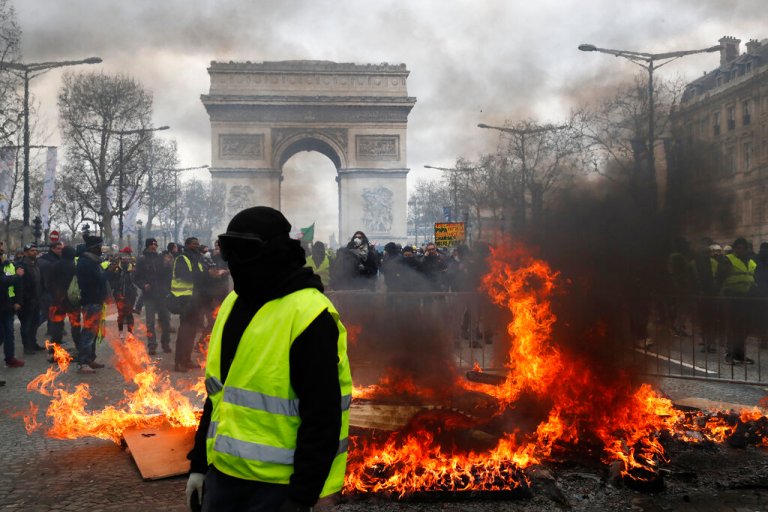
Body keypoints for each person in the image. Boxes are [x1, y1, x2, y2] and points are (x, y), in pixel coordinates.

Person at [185, 206, 351, 512]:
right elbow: (217, 395)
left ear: (273, 251)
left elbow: (323, 417)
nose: (233, 263)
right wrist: (198, 463)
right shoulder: (232, 303)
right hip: (222, 477)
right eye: (228, 252)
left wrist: (301, 496)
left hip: (279, 488)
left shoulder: (310, 314)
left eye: (242, 252)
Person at [716, 237, 756, 364]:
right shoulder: (728, 260)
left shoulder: (750, 262)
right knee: (733, 326)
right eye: (738, 247)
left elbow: (751, 278)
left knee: (745, 327)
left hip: (746, 298)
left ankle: (739, 353)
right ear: (734, 249)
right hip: (731, 297)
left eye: (743, 248)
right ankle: (729, 354)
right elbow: (719, 277)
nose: (741, 250)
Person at [171, 237, 205, 372]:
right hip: (184, 300)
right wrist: (204, 275)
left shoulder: (197, 258)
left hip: (195, 300)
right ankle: (179, 362)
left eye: (197, 244)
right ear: (187, 245)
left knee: (192, 332)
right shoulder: (181, 258)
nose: (196, 246)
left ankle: (187, 359)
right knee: (184, 331)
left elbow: (202, 275)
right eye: (193, 244)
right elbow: (185, 276)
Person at [76, 235, 108, 374]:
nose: (102, 249)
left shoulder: (93, 261)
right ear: (94, 248)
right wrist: (109, 272)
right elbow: (97, 280)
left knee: (93, 333)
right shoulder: (86, 262)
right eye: (100, 246)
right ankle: (83, 362)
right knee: (88, 332)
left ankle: (90, 359)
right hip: (90, 301)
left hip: (96, 301)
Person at [135, 238, 172, 355]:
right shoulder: (141, 259)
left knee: (165, 320)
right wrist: (143, 285)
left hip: (162, 294)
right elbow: (136, 277)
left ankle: (165, 343)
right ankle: (152, 345)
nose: (155, 246)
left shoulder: (161, 258)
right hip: (149, 295)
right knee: (150, 322)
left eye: (156, 244)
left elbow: (167, 275)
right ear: (148, 245)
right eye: (153, 244)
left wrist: (168, 265)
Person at [48, 246, 81, 352]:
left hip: (57, 301)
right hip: (72, 301)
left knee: (57, 326)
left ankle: (54, 350)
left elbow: (49, 283)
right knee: (75, 325)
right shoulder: (75, 267)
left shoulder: (54, 266)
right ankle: (78, 348)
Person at [17, 243, 44, 355]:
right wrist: (24, 299)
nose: (35, 252)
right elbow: (20, 285)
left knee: (35, 323)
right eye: (32, 250)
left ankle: (33, 343)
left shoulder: (35, 264)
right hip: (27, 301)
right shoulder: (21, 266)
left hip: (36, 300)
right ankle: (27, 347)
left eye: (35, 250)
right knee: (26, 324)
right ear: (26, 252)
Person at [0, 242, 24, 368]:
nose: (2, 249)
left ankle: (10, 357)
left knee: (9, 333)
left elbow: (15, 286)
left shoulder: (6, 264)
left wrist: (16, 301)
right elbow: (3, 282)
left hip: (7, 305)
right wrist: (17, 276)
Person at [109, 247, 138, 340]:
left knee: (129, 313)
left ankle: (130, 332)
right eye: (123, 257)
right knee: (121, 313)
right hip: (119, 294)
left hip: (130, 295)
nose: (125, 259)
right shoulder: (116, 268)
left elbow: (136, 280)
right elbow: (111, 280)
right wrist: (116, 290)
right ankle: (121, 332)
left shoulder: (133, 268)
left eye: (126, 258)